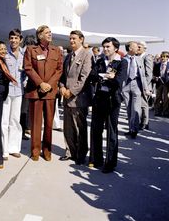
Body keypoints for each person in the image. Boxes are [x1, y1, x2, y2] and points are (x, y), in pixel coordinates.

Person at [24, 25, 63, 161]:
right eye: (47, 33)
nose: (50, 34)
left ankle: (47, 151)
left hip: (50, 92)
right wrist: (40, 83)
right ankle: (35, 151)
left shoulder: (57, 50)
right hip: (36, 91)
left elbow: (59, 70)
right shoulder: (30, 50)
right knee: (35, 123)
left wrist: (48, 85)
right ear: (40, 35)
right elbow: (28, 68)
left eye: (50, 32)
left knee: (48, 124)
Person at [89, 37, 128, 173]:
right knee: (96, 129)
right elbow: (92, 76)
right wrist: (106, 76)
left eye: (108, 47)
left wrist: (107, 77)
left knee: (111, 131)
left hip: (113, 100)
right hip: (99, 98)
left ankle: (110, 163)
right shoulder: (100, 61)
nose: (105, 49)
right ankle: (95, 158)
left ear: (115, 48)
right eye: (104, 47)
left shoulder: (122, 62)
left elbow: (118, 81)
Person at [59, 30, 92, 165]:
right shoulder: (68, 56)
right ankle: (69, 151)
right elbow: (63, 76)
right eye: (70, 39)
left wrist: (71, 92)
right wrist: (61, 87)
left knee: (80, 128)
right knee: (68, 127)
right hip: (66, 96)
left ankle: (81, 154)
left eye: (74, 39)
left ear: (81, 39)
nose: (71, 41)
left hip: (78, 98)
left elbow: (84, 78)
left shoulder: (87, 55)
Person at [1, 29, 25, 160]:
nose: (13, 40)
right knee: (4, 121)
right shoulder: (5, 54)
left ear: (20, 39)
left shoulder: (24, 54)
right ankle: (4, 150)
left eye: (16, 38)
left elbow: (26, 72)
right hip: (6, 92)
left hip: (19, 92)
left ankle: (14, 148)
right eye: (11, 38)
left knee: (15, 120)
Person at [122, 41, 148, 139]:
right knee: (129, 109)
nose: (138, 48)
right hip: (126, 86)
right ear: (130, 48)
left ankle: (135, 130)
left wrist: (145, 88)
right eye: (136, 46)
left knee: (136, 109)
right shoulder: (122, 59)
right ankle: (130, 128)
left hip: (137, 84)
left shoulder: (139, 59)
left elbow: (143, 75)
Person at [20, 34, 37, 140]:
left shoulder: (22, 51)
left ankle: (26, 128)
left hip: (23, 84)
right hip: (25, 84)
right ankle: (23, 130)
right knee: (24, 109)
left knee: (24, 108)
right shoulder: (26, 53)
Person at [137, 41, 153, 129]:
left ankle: (145, 123)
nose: (138, 48)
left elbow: (149, 74)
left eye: (139, 47)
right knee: (140, 105)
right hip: (139, 85)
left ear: (144, 48)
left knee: (144, 105)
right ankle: (142, 121)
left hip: (145, 86)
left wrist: (145, 86)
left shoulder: (147, 57)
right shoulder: (138, 57)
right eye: (137, 47)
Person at [153, 51, 169, 117]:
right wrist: (155, 78)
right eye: (162, 56)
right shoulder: (157, 65)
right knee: (158, 97)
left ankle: (165, 112)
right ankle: (157, 111)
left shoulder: (168, 65)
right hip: (159, 83)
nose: (163, 58)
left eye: (165, 56)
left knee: (166, 98)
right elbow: (154, 74)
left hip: (167, 84)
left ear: (168, 57)